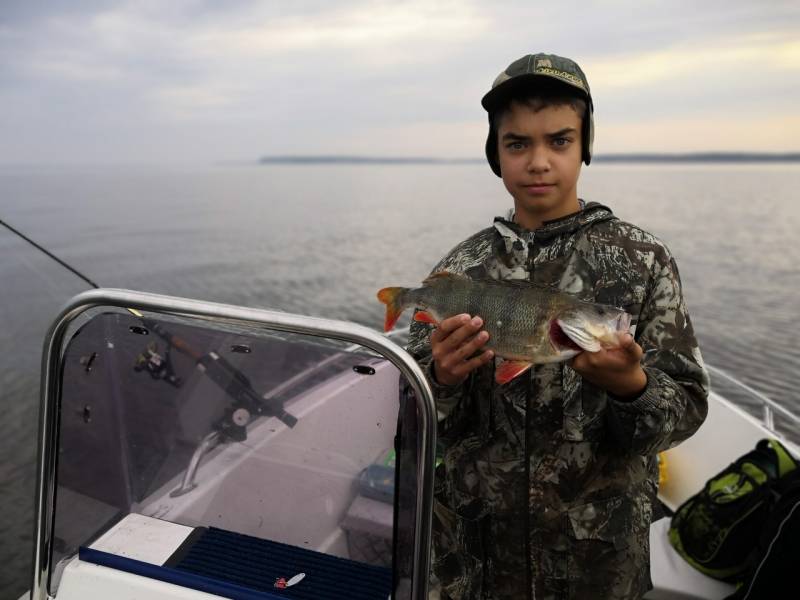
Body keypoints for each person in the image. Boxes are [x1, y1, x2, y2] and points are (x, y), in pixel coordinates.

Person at [406, 53, 709, 600]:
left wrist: (630, 388)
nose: (538, 161)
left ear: (585, 145)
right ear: (495, 155)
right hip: (474, 558)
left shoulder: (644, 261)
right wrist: (440, 379)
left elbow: (684, 410)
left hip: (598, 562)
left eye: (560, 141)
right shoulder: (463, 267)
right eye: (517, 143)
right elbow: (414, 416)